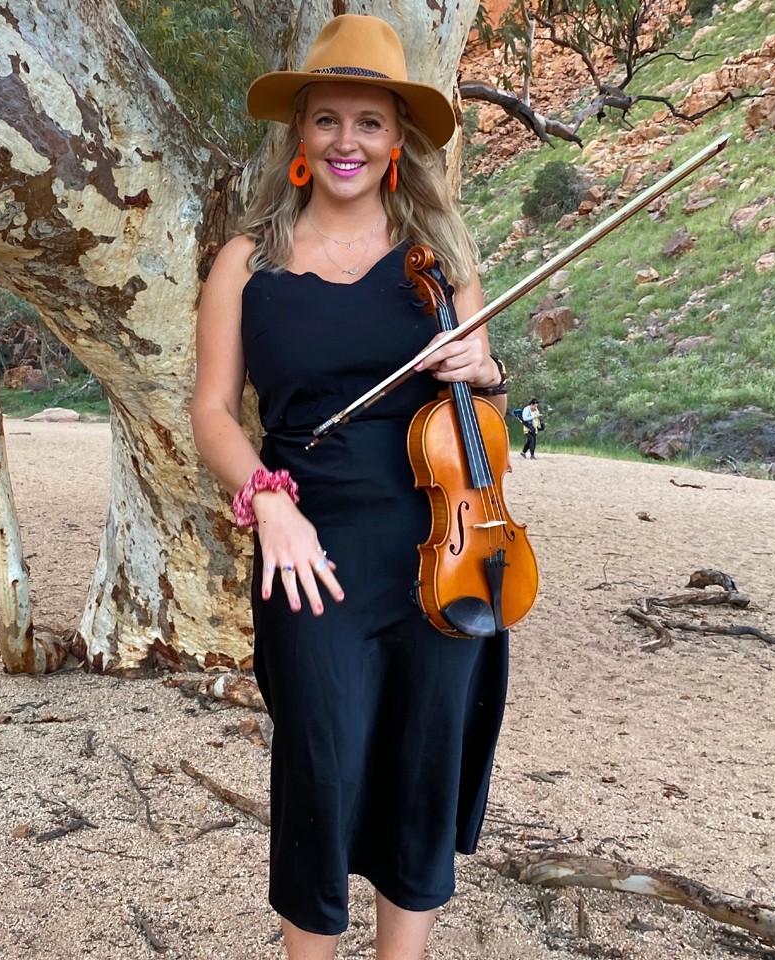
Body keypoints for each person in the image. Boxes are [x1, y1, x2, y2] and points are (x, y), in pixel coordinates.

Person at [191, 15, 510, 959]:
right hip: (312, 547)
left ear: (396, 140)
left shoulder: (439, 260)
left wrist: (481, 372)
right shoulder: (245, 262)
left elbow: (484, 394)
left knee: (424, 759)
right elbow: (213, 411)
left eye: (369, 123)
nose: (347, 142)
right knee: (319, 767)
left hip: (443, 544)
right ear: (299, 134)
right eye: (327, 119)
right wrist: (270, 502)